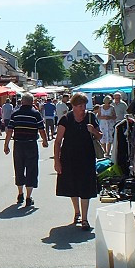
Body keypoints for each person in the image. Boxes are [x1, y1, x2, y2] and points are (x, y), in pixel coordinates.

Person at [54, 93, 102, 230]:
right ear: (73, 106)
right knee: (72, 186)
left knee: (86, 187)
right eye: (80, 106)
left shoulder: (91, 117)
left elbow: (100, 136)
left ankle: (85, 219)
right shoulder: (66, 119)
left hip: (87, 157)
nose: (83, 108)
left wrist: (93, 130)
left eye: (84, 105)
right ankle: (77, 212)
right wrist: (57, 161)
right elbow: (58, 142)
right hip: (69, 158)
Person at [3, 93, 48, 208]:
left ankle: (20, 194)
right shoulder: (35, 114)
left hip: (18, 144)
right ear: (32, 102)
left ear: (22, 102)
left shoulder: (15, 114)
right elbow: (41, 129)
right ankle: (28, 197)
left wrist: (6, 144)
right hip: (31, 145)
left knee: (19, 168)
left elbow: (10, 130)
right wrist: (45, 141)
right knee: (31, 169)